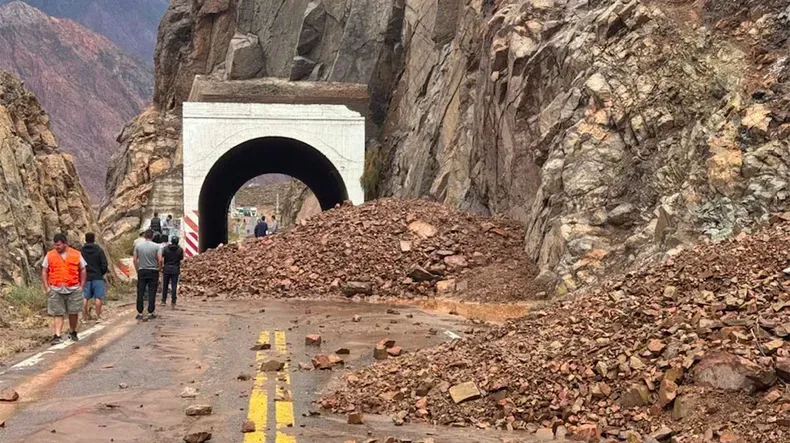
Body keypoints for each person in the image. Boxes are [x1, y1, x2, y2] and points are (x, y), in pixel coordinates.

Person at [42, 234, 87, 344]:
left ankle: (73, 332)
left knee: (73, 312)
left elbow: (83, 269)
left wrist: (81, 286)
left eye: (59, 245)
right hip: (56, 289)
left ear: (65, 243)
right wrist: (47, 287)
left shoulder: (76, 254)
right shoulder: (50, 255)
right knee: (58, 312)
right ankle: (57, 335)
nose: (57, 247)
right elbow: (44, 270)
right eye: (55, 245)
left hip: (73, 288)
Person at [133, 229, 162, 321]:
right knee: (152, 292)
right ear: (152, 236)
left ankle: (140, 312)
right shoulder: (157, 246)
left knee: (140, 292)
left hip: (142, 271)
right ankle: (150, 312)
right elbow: (160, 259)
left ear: (145, 236)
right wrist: (159, 268)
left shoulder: (138, 246)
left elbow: (134, 259)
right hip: (153, 271)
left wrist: (138, 269)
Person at [80, 232, 108, 321]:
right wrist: (101, 273)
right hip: (97, 277)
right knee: (98, 297)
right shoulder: (99, 250)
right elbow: (104, 264)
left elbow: (79, 264)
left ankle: (84, 317)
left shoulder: (81, 251)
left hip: (86, 277)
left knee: (85, 297)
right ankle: (98, 316)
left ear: (85, 239)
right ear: (94, 239)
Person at [161, 237, 184, 309]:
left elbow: (162, 256)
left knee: (165, 285)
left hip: (166, 269)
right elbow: (181, 258)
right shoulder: (180, 250)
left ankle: (163, 300)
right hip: (175, 270)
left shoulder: (165, 248)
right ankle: (173, 301)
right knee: (174, 286)